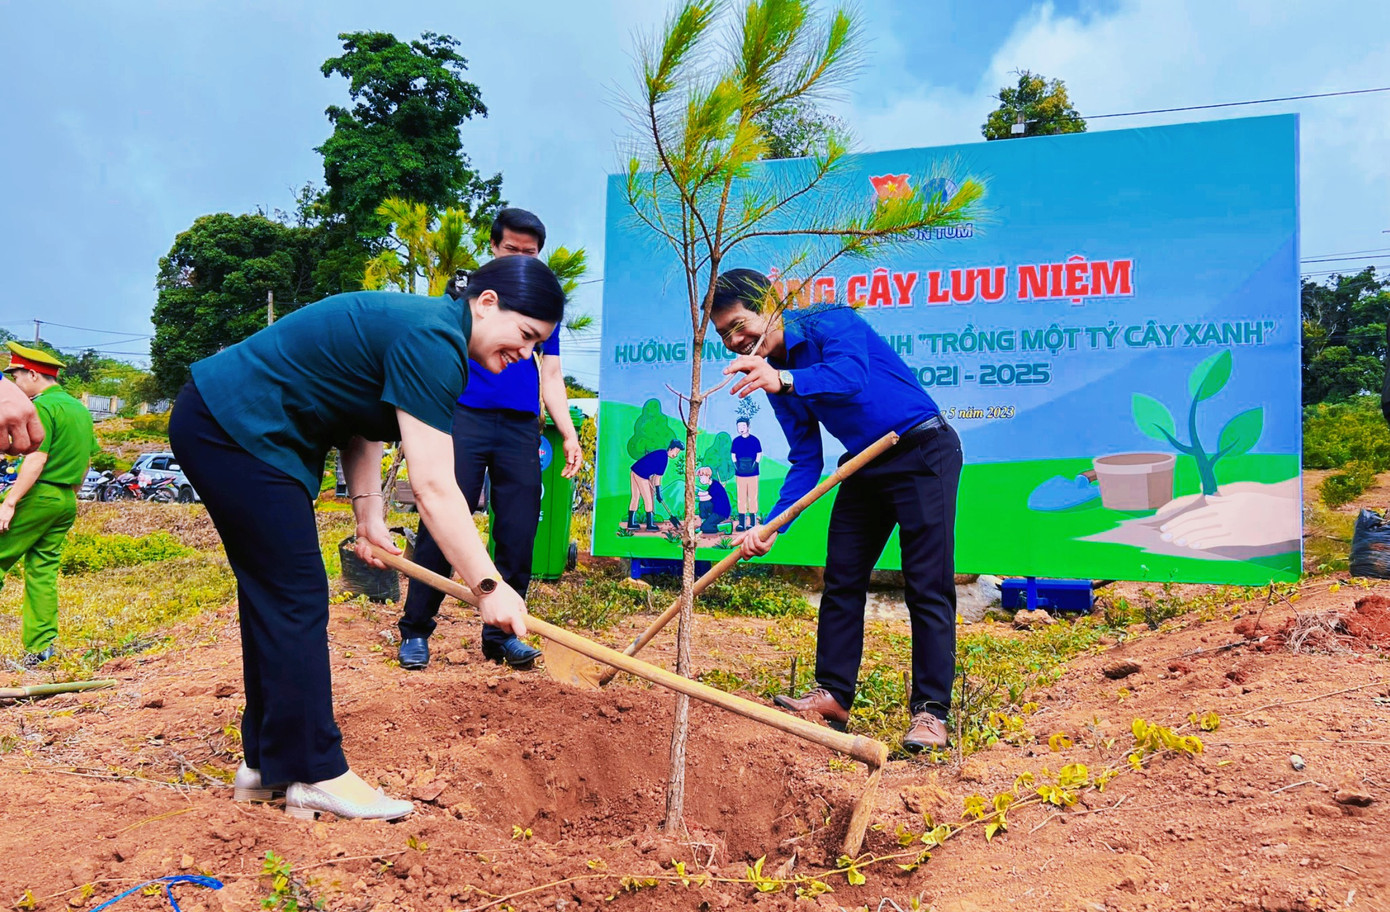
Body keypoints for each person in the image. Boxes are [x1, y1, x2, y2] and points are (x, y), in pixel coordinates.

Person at [169, 255, 565, 821]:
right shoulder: (435, 342)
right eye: (525, 335)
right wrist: (488, 586)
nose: (524, 353)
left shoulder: (428, 331)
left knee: (277, 597)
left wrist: (368, 511)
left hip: (227, 425)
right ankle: (315, 771)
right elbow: (434, 487)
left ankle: (266, 767)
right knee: (295, 595)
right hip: (236, 427)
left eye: (536, 344)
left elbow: (358, 416)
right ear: (486, 303)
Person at [711, 268, 963, 753]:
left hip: (921, 449)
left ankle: (931, 713)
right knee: (843, 578)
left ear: (772, 305)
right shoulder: (773, 373)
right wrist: (773, 525)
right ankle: (833, 696)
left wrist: (783, 378)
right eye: (724, 334)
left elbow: (850, 377)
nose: (735, 340)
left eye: (741, 324)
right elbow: (806, 458)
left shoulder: (829, 319)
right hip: (864, 463)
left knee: (927, 583)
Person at [396, 208, 581, 671]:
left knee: (518, 528)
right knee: (442, 519)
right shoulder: (472, 294)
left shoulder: (541, 304)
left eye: (530, 252)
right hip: (462, 416)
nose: (521, 258)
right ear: (495, 248)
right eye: (511, 250)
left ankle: (502, 636)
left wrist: (567, 430)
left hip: (520, 425)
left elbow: (552, 374)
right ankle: (416, 629)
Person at [0, 344, 97, 666]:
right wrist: (70, 493)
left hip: (37, 495)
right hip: (65, 499)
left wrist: (11, 501)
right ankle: (41, 650)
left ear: (31, 374)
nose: (13, 384)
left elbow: (37, 457)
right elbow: (86, 462)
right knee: (42, 573)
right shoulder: (79, 409)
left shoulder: (39, 407)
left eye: (15, 376)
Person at [628, 440, 683, 531]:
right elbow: (657, 478)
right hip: (641, 475)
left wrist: (654, 487)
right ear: (670, 449)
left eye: (677, 453)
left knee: (635, 498)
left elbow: (652, 472)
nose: (676, 455)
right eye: (676, 451)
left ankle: (631, 523)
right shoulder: (664, 459)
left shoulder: (660, 453)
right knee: (648, 499)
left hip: (634, 471)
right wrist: (658, 493)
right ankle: (650, 525)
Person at [731, 418, 762, 530]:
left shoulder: (754, 440)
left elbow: (759, 454)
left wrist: (755, 465)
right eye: (739, 426)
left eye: (743, 426)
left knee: (752, 497)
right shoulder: (736, 441)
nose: (741, 429)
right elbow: (733, 455)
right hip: (740, 474)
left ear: (748, 427)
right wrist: (736, 466)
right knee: (741, 497)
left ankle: (752, 523)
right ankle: (741, 523)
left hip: (753, 473)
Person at [695, 465, 733, 534]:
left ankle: (725, 526)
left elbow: (707, 497)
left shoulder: (715, 485)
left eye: (702, 476)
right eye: (700, 477)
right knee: (703, 504)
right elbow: (705, 495)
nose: (700, 479)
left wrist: (695, 496)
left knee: (705, 528)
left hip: (721, 512)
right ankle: (705, 523)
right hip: (715, 509)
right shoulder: (711, 485)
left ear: (707, 476)